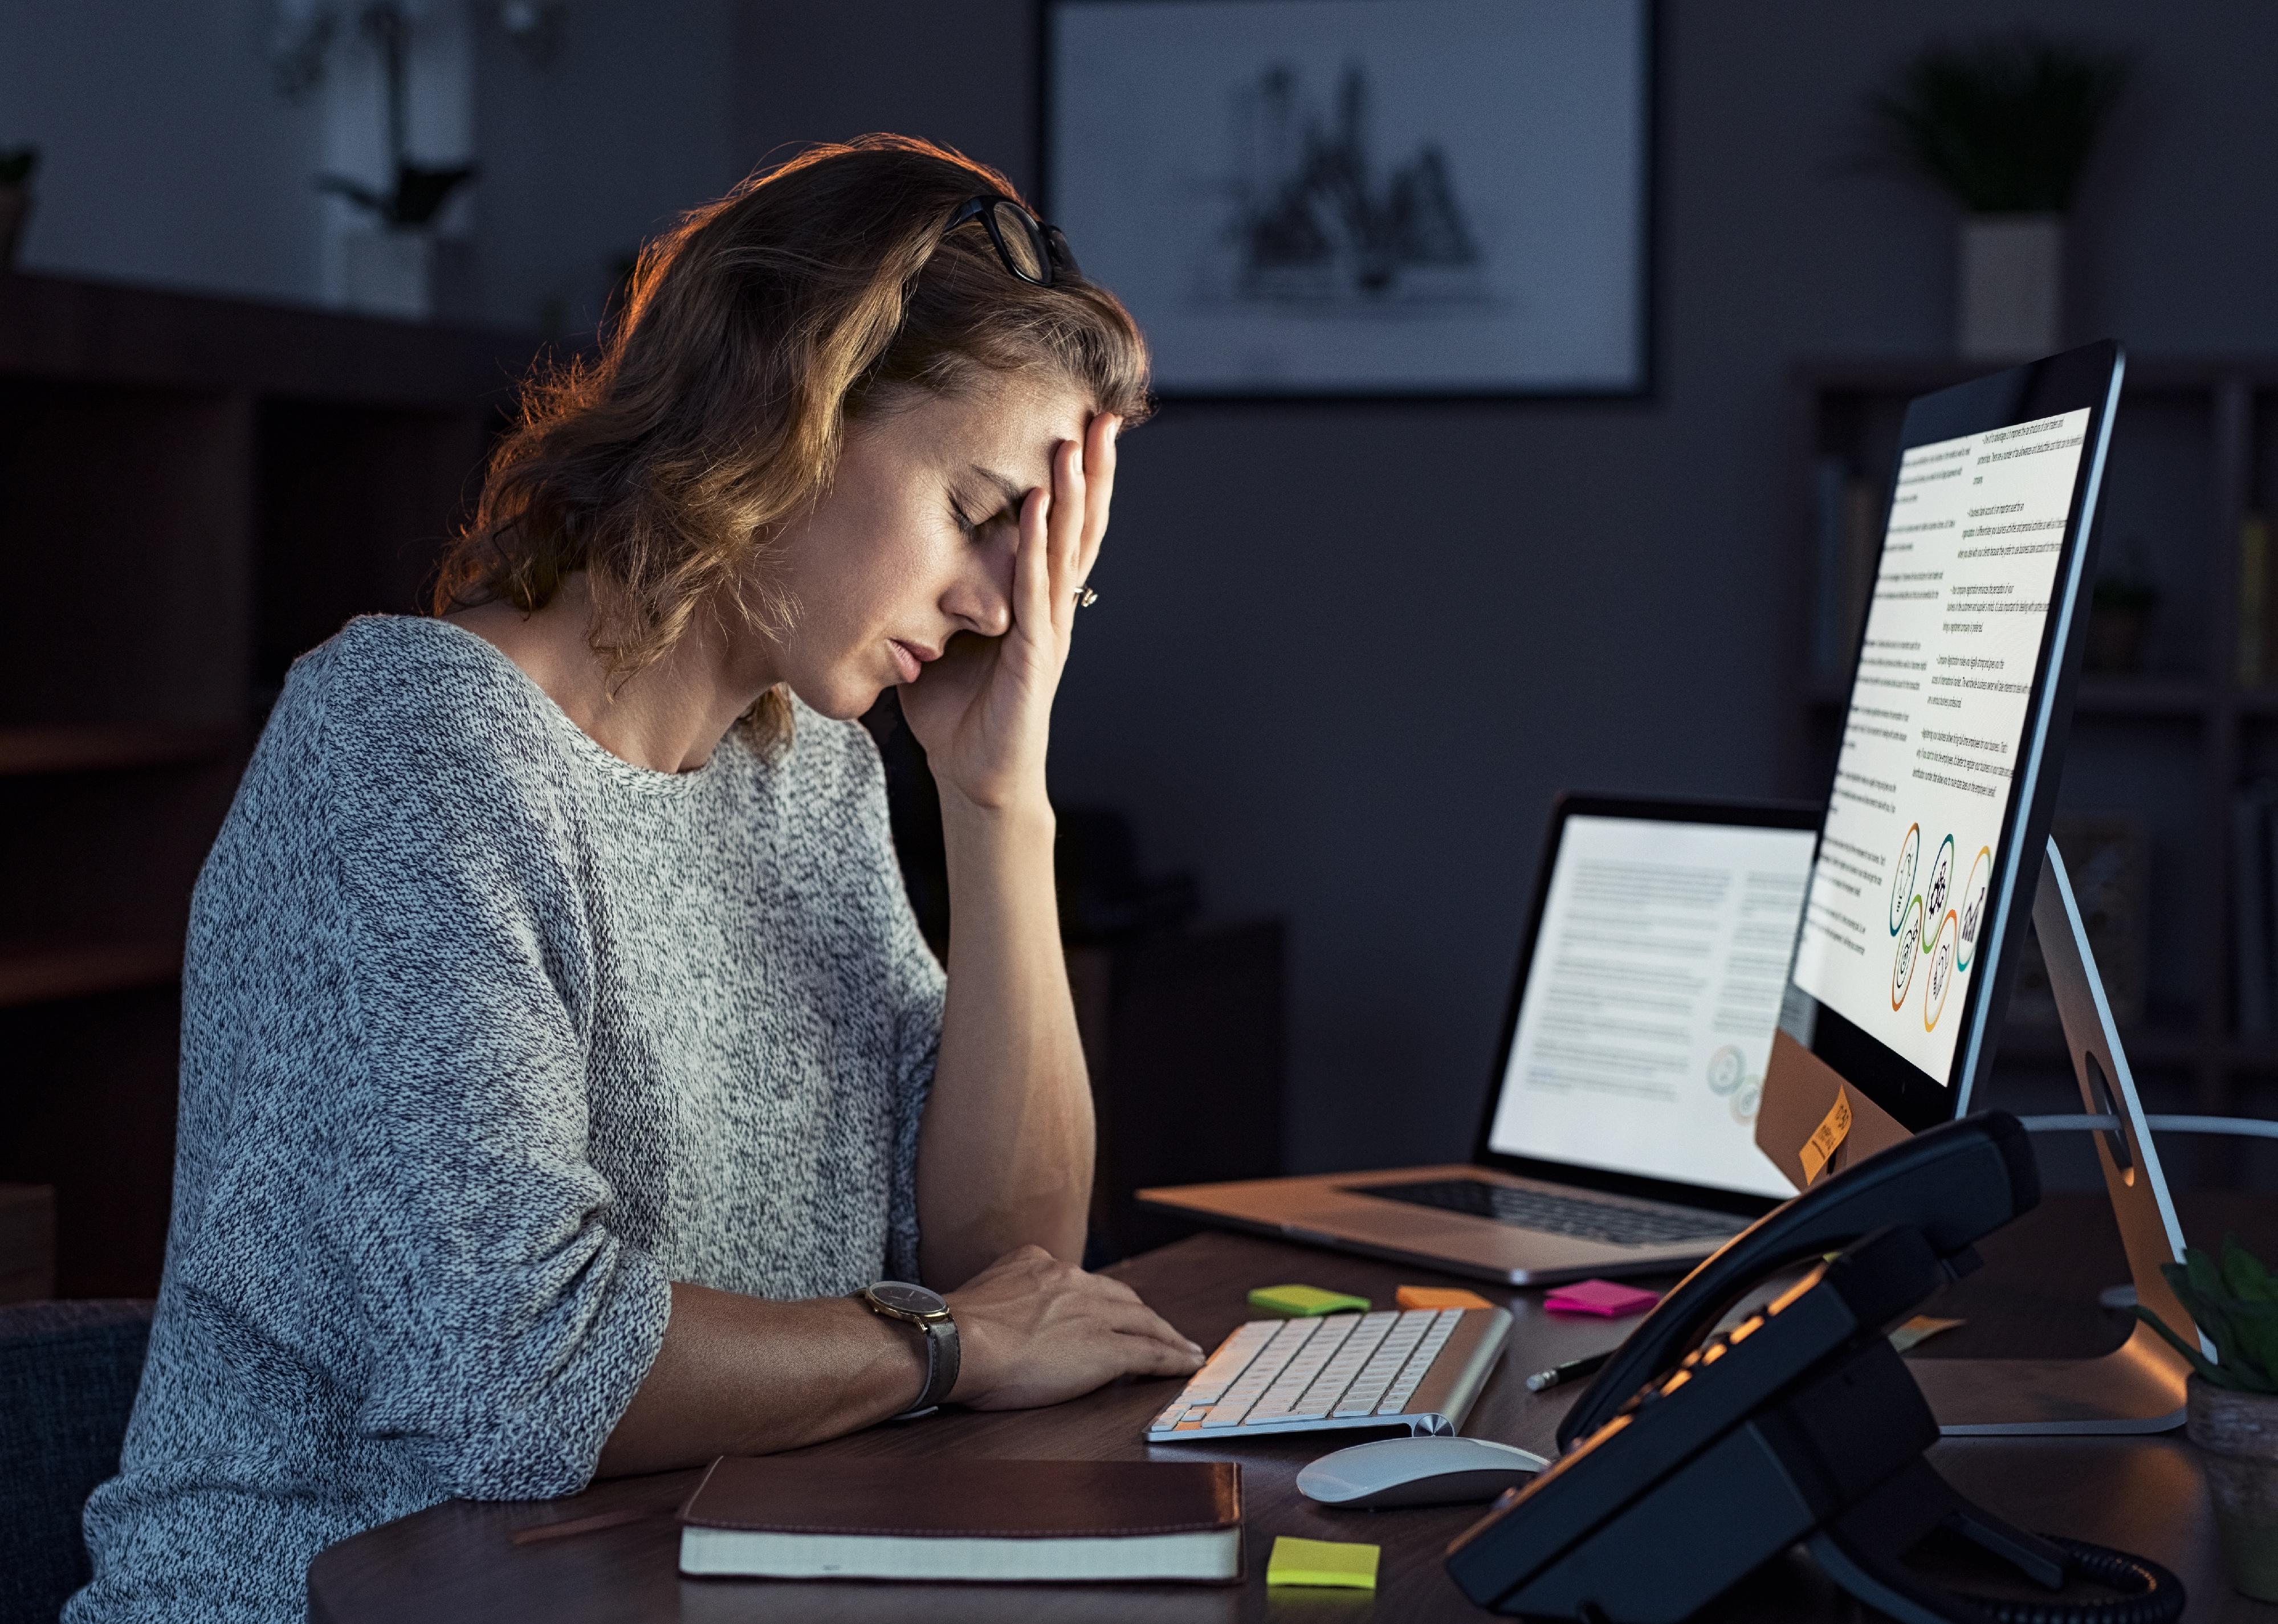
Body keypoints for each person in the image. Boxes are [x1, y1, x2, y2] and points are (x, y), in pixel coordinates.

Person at [69, 136, 1205, 1624]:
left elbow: (1011, 1262)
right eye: (985, 513)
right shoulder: (409, 749)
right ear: (791, 409)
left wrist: (1000, 797)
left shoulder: (806, 772)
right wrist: (942, 1346)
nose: (1007, 601)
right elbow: (525, 1372)